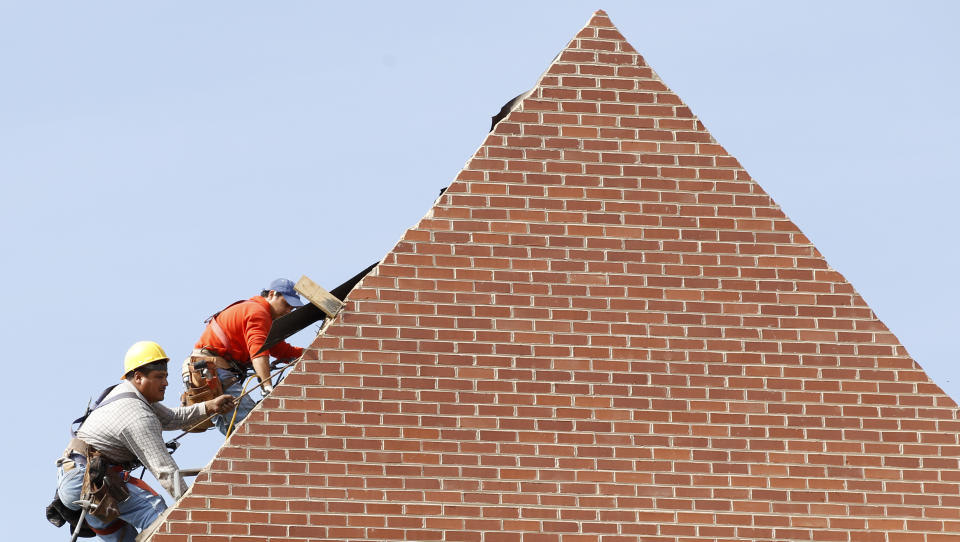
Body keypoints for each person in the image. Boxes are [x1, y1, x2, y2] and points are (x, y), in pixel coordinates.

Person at [55, 341, 236, 541]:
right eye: (159, 377)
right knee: (153, 508)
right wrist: (190, 511)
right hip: (87, 481)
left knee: (130, 537)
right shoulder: (137, 415)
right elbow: (165, 471)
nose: (166, 383)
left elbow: (171, 418)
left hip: (80, 480)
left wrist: (209, 406)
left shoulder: (130, 394)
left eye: (165, 376)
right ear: (139, 377)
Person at [186, 278, 305, 434]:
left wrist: (312, 353)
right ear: (272, 294)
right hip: (211, 369)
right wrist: (267, 386)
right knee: (251, 427)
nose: (289, 311)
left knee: (234, 432)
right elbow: (259, 352)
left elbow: (281, 350)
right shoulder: (258, 312)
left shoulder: (258, 314)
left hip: (204, 370)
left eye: (292, 308)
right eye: (286, 304)